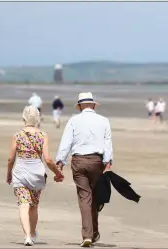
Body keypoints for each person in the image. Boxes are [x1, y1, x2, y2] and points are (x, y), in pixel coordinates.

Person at [55, 92, 113, 247]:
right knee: (95, 197)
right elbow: (107, 142)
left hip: (78, 161)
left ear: (80, 106)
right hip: (97, 161)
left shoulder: (73, 121)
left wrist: (60, 161)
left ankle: (88, 235)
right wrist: (108, 161)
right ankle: (93, 233)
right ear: (93, 105)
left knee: (84, 198)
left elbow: (66, 142)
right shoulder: (103, 121)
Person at [6, 106, 64, 246]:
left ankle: (27, 236)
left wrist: (8, 174)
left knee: (23, 205)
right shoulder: (43, 135)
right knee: (34, 206)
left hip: (20, 172)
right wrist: (58, 173)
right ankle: (32, 233)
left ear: (23, 118)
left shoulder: (17, 136)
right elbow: (48, 159)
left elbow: (10, 159)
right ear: (37, 118)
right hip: (37, 173)